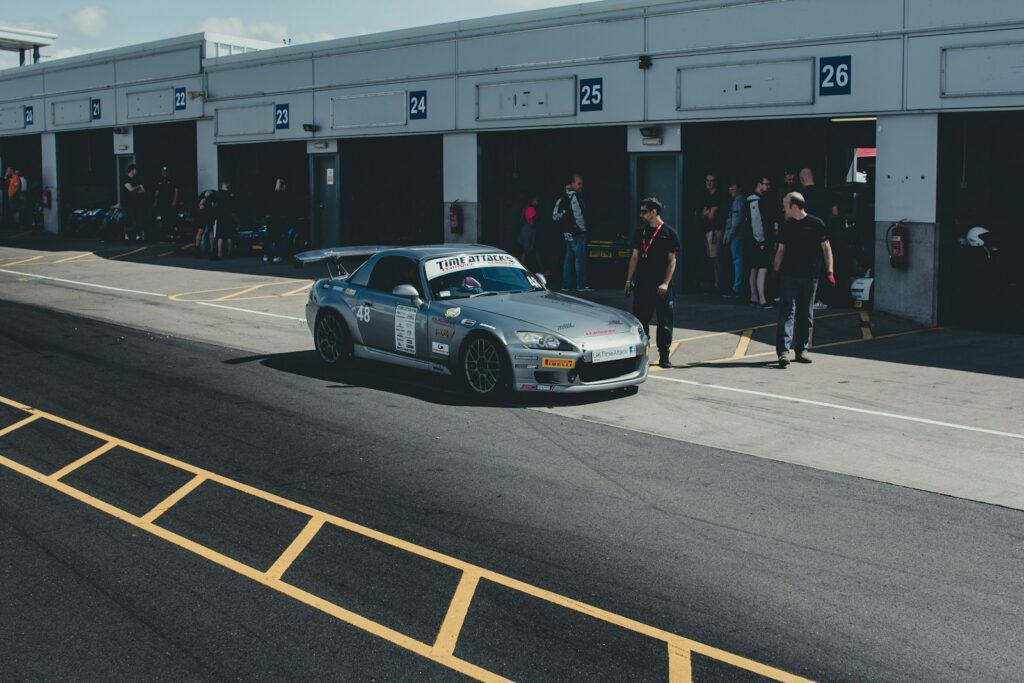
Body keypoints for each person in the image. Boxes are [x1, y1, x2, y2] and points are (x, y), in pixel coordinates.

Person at [774, 192, 835, 367]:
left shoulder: (816, 224)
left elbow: (826, 249)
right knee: (787, 313)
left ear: (794, 206)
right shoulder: (786, 226)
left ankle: (801, 350)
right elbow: (780, 250)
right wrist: (775, 271)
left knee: (806, 314)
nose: (783, 207)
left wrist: (830, 272)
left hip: (810, 276)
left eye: (785, 204)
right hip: (789, 275)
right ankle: (783, 353)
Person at [625, 197, 679, 369]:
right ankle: (643, 355)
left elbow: (672, 261)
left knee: (664, 321)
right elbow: (634, 257)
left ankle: (664, 355)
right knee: (641, 321)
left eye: (644, 212)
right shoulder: (640, 232)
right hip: (643, 284)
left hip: (661, 286)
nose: (641, 215)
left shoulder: (669, 233)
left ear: (654, 212)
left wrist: (665, 283)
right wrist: (628, 280)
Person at [798, 167, 840, 310]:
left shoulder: (799, 194)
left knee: (802, 266)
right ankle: (817, 299)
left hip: (802, 235)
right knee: (820, 268)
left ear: (802, 178)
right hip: (822, 233)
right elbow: (835, 212)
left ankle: (801, 298)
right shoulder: (826, 192)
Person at [552, 174, 589, 290]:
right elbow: (578, 216)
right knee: (579, 260)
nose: (581, 186)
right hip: (577, 233)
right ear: (572, 184)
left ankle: (565, 285)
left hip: (566, 234)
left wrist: (564, 217)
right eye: (579, 183)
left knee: (568, 260)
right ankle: (580, 285)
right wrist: (583, 230)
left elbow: (554, 216)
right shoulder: (575, 197)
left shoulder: (561, 199)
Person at [746, 176, 776, 309]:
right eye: (766, 184)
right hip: (758, 241)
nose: (768, 187)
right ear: (759, 184)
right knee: (762, 268)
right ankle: (762, 299)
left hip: (752, 242)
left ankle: (754, 297)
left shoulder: (752, 200)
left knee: (754, 268)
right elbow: (756, 222)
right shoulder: (755, 201)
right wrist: (761, 240)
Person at [697, 172, 727, 292]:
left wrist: (705, 213)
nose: (709, 183)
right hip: (708, 231)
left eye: (712, 180)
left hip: (715, 231)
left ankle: (717, 284)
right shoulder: (706, 195)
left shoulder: (717, 196)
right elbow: (701, 213)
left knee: (715, 258)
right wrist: (704, 213)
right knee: (711, 257)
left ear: (716, 182)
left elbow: (710, 216)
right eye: (707, 180)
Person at [721, 180, 746, 298]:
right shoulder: (739, 200)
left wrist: (729, 236)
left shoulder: (738, 200)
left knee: (737, 261)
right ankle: (737, 286)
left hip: (736, 236)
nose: (731, 191)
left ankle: (737, 288)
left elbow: (736, 221)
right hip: (737, 235)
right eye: (729, 189)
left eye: (733, 189)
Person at [265, 178, 294, 263]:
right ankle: (276, 256)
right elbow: (286, 208)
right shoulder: (283, 195)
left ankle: (266, 255)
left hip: (270, 218)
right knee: (278, 238)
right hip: (278, 218)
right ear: (283, 186)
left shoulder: (270, 195)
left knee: (269, 237)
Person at [211, 178, 237, 259]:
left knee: (220, 236)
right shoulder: (230, 194)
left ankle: (219, 254)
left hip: (220, 216)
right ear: (228, 184)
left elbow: (213, 205)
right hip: (229, 216)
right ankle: (229, 253)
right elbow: (234, 206)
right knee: (229, 236)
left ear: (222, 184)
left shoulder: (217, 194)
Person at [153, 165, 180, 240]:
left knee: (171, 218)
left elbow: (176, 190)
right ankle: (165, 235)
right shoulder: (159, 181)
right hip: (162, 202)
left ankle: (173, 234)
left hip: (170, 202)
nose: (164, 174)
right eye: (163, 172)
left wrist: (174, 200)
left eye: (166, 172)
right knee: (163, 218)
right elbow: (157, 192)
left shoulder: (172, 180)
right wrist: (155, 202)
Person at [121, 164, 147, 242]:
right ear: (132, 170)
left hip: (136, 203)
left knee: (137, 219)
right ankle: (127, 237)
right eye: (135, 170)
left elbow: (143, 190)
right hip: (127, 203)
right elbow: (130, 189)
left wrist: (136, 189)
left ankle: (137, 236)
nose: (136, 171)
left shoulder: (137, 179)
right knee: (128, 219)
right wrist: (138, 187)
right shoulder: (125, 179)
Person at [517, 194, 542, 270]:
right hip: (529, 230)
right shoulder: (531, 209)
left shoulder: (526, 208)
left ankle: (541, 268)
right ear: (532, 201)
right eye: (536, 200)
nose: (537, 202)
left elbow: (521, 220)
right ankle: (521, 269)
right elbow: (532, 222)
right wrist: (537, 219)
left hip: (526, 229)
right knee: (527, 250)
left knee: (529, 251)